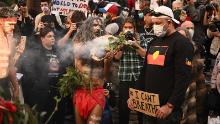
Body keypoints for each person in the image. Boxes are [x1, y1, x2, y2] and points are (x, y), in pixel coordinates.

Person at [128, 6, 194, 124]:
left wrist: (170, 105)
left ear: (169, 22)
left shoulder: (182, 43)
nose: (155, 26)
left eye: (158, 23)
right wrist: (135, 96)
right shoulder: (153, 42)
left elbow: (183, 78)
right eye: (153, 23)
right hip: (149, 108)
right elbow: (145, 71)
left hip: (167, 110)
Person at [17, 27, 65, 123]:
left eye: (53, 36)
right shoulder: (35, 53)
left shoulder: (58, 52)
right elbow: (27, 73)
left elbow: (63, 69)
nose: (53, 38)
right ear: (42, 38)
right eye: (49, 36)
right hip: (40, 94)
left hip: (55, 93)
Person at [73, 17, 112, 124]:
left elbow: (105, 75)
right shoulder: (79, 41)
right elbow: (78, 60)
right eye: (94, 25)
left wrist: (108, 61)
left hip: (97, 92)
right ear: (88, 27)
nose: (97, 28)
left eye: (100, 26)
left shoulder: (105, 46)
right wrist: (96, 43)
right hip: (81, 91)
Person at [114, 17, 147, 124]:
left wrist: (136, 45)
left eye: (130, 27)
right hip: (125, 76)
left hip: (139, 77)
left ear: (134, 28)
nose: (128, 29)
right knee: (123, 108)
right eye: (126, 27)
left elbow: (146, 56)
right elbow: (117, 58)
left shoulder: (141, 38)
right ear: (122, 28)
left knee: (141, 108)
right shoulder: (118, 39)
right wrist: (121, 45)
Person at [0, 7, 19, 100]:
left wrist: (16, 87)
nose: (13, 27)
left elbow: (10, 65)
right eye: (10, 23)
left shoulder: (9, 40)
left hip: (4, 87)